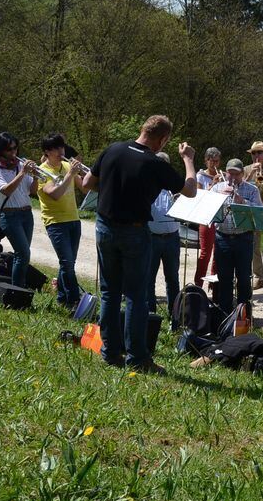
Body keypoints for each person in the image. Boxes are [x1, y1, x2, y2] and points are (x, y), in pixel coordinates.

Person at [83, 115, 197, 374]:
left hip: (104, 227)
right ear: (163, 139)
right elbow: (190, 190)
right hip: (134, 232)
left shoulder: (113, 149)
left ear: (142, 129)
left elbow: (87, 183)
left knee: (110, 292)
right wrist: (188, 159)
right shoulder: (153, 163)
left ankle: (110, 352)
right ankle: (137, 357)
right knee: (136, 295)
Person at [35, 133, 88, 308]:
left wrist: (91, 174)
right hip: (55, 222)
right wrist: (70, 174)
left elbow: (85, 188)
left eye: (62, 147)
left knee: (68, 262)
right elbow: (55, 194)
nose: (60, 151)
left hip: (73, 220)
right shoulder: (42, 171)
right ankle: (74, 300)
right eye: (56, 148)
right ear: (47, 152)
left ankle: (62, 298)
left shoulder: (66, 165)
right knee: (67, 263)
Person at [0, 132, 38, 291]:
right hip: (9, 215)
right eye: (9, 149)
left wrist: (35, 176)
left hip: (26, 214)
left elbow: (33, 191)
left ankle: (18, 290)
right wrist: (23, 173)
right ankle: (17, 291)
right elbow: (7, 191)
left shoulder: (19, 165)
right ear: (0, 150)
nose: (13, 152)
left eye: (15, 148)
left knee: (23, 255)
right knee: (23, 253)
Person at [211, 159, 263, 317]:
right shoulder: (217, 188)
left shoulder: (252, 190)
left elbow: (259, 213)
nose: (232, 176)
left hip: (243, 238)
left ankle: (244, 315)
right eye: (230, 172)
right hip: (222, 238)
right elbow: (207, 211)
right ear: (225, 172)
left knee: (244, 279)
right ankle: (224, 315)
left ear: (243, 174)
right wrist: (217, 198)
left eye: (236, 173)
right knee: (224, 279)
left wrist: (242, 201)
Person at [147, 152, 181, 323]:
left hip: (172, 237)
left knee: (173, 279)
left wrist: (179, 200)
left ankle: (175, 316)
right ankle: (150, 316)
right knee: (148, 279)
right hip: (151, 237)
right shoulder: (146, 184)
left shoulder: (173, 186)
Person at [244, 141, 263, 289]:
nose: (256, 155)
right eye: (254, 153)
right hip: (253, 212)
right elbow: (240, 186)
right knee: (255, 246)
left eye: (259, 152)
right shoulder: (245, 169)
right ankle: (258, 277)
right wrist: (251, 174)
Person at [194, 147, 223, 287]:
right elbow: (200, 197)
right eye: (212, 162)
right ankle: (198, 285)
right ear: (206, 161)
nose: (215, 165)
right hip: (206, 218)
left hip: (219, 218)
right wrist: (213, 185)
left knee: (219, 253)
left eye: (217, 161)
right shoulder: (200, 176)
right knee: (205, 253)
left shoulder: (221, 176)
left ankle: (214, 285)